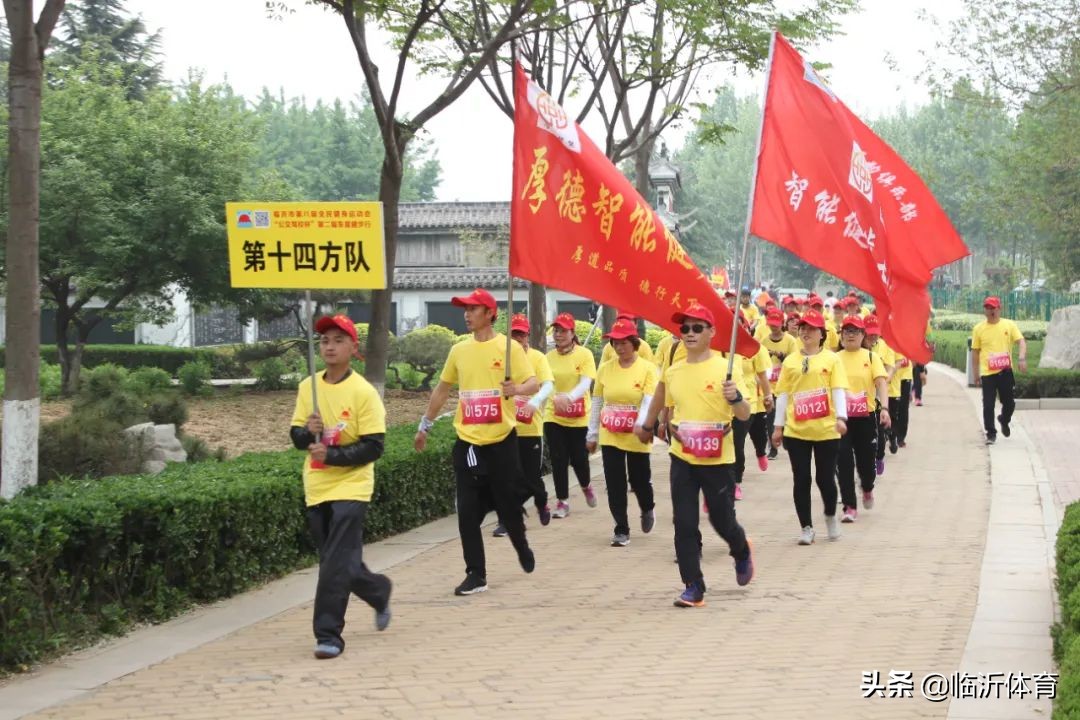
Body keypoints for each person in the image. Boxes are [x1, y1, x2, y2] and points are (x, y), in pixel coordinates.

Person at [414, 288, 539, 596]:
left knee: (509, 506)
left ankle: (520, 543)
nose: (466, 315)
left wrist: (516, 388)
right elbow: (442, 390)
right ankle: (476, 574)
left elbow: (534, 382)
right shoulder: (459, 351)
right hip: (468, 442)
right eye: (465, 310)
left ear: (489, 313)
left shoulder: (509, 347)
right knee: (467, 511)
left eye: (472, 309)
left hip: (502, 441)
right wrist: (424, 425)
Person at [636, 302, 755, 607]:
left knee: (721, 520)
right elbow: (662, 399)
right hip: (683, 457)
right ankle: (693, 585)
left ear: (712, 333)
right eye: (684, 328)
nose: (688, 333)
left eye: (696, 328)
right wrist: (648, 424)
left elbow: (744, 415)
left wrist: (736, 397)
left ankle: (741, 550)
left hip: (718, 460)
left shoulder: (727, 368)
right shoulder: (673, 370)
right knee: (684, 522)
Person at [291, 313, 392, 659]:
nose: (330, 346)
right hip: (317, 485)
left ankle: (328, 634)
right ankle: (377, 590)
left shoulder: (363, 392)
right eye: (324, 341)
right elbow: (297, 437)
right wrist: (308, 430)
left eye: (338, 340)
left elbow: (374, 446)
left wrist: (331, 454)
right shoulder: (309, 388)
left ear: (353, 346)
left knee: (334, 563)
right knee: (338, 560)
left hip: (352, 485)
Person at [771, 309, 850, 545]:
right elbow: (783, 394)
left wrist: (842, 418)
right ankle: (806, 527)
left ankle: (829, 516)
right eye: (802, 328)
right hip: (797, 431)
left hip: (826, 430)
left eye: (811, 329)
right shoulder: (791, 361)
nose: (806, 332)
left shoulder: (832, 360)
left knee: (825, 478)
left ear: (822, 334)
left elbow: (838, 390)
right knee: (801, 478)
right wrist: (778, 426)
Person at [586, 317, 659, 547]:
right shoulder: (605, 369)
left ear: (634, 343)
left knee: (639, 481)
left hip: (636, 434)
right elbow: (597, 401)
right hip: (611, 434)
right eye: (614, 343)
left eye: (623, 343)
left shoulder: (647, 369)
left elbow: (648, 400)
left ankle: (647, 508)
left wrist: (642, 424)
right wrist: (592, 433)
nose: (618, 347)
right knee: (614, 482)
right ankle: (621, 527)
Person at [492, 314, 554, 537]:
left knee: (531, 478)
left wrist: (535, 402)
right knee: (505, 477)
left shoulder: (537, 358)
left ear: (528, 335)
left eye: (522, 334)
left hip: (530, 428)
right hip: (506, 428)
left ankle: (541, 501)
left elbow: (548, 386)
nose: (518, 338)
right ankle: (507, 520)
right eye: (514, 334)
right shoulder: (502, 359)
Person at [835, 315, 891, 521]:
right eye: (847, 331)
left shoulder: (870, 358)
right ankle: (849, 506)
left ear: (863, 336)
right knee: (843, 461)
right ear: (841, 335)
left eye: (855, 331)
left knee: (867, 463)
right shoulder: (834, 359)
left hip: (865, 417)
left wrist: (884, 408)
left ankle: (867, 487)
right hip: (841, 419)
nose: (850, 335)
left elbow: (881, 383)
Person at [545, 311, 599, 517]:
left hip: (578, 416)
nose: (559, 335)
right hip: (554, 414)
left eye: (563, 331)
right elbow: (545, 382)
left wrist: (569, 398)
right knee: (558, 459)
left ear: (572, 332)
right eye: (556, 331)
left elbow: (586, 382)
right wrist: (556, 399)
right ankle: (562, 501)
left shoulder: (584, 355)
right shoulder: (548, 357)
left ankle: (586, 486)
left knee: (579, 459)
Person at [972, 295, 1027, 445]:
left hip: (1005, 372)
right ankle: (991, 433)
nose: (990, 311)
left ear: (999, 309)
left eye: (993, 308)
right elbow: (975, 352)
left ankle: (1004, 419)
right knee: (988, 404)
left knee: (1009, 403)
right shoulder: (979, 329)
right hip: (988, 373)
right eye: (987, 308)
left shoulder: (1008, 325)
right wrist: (976, 374)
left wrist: (1021, 358)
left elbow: (1021, 341)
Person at [733, 317, 774, 498]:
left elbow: (763, 375)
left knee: (758, 436)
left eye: (741, 326)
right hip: (729, 405)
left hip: (752, 402)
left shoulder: (756, 349)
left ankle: (760, 453)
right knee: (736, 444)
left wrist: (767, 395)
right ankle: (735, 481)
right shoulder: (723, 349)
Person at [759, 308, 799, 460]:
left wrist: (782, 356)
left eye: (776, 324)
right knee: (770, 419)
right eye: (771, 324)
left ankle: (787, 440)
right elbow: (761, 362)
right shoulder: (764, 341)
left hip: (787, 385)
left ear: (782, 323)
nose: (774, 327)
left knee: (788, 416)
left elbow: (794, 360)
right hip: (770, 385)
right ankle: (773, 448)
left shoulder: (790, 341)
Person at [863, 316, 896, 476]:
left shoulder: (885, 347)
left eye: (876, 333)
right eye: (870, 333)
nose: (873, 336)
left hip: (878, 392)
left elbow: (890, 368)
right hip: (861, 396)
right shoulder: (857, 348)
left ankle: (880, 456)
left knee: (880, 431)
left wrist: (883, 378)